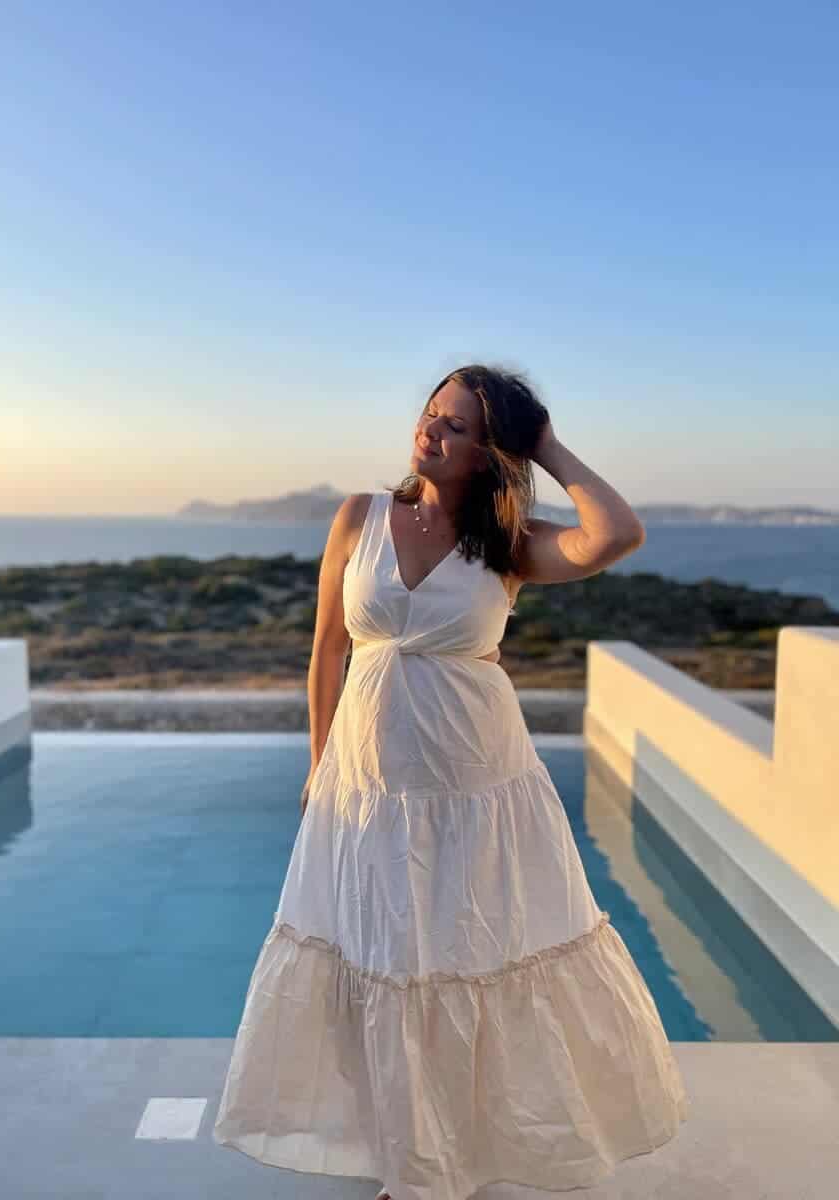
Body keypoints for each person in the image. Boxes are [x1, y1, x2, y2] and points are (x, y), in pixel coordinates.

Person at [212, 365, 688, 1200]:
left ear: (489, 453)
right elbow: (329, 647)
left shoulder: (509, 546)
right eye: (432, 414)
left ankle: (457, 1149)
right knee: (384, 962)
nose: (430, 431)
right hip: (367, 786)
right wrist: (318, 765)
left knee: (467, 960)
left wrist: (548, 444)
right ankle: (409, 1157)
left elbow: (617, 535)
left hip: (478, 789)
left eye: (458, 425)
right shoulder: (359, 516)